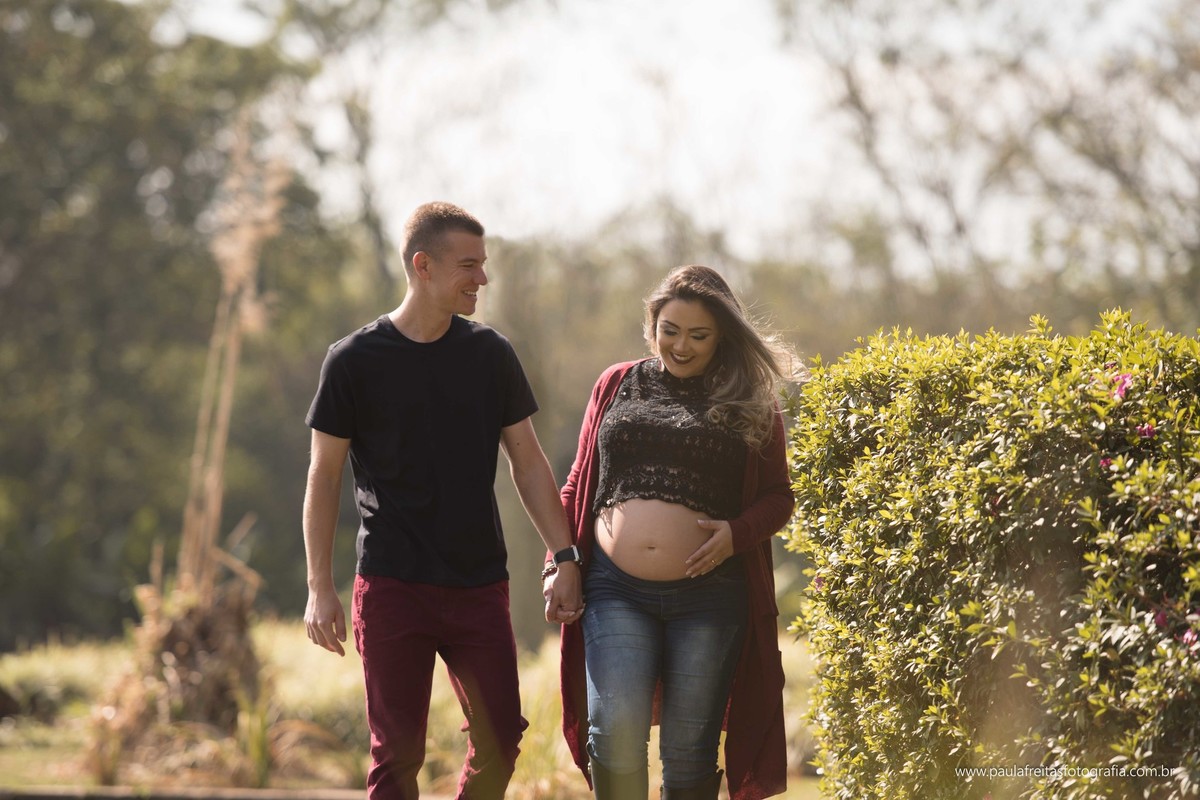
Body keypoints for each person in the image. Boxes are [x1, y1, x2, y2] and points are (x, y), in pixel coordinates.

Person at [302, 201, 584, 800]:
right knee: (397, 754)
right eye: (469, 265)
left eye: (483, 264)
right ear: (423, 265)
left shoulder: (491, 354)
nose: (483, 278)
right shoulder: (352, 360)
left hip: (478, 584)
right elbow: (323, 477)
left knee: (501, 736)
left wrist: (564, 556)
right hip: (392, 584)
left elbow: (529, 463)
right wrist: (318, 586)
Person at [549, 265, 796, 800]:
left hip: (711, 596)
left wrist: (736, 533)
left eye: (698, 335)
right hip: (614, 589)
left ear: (722, 336)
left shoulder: (751, 399)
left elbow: (780, 497)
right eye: (670, 330)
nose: (681, 346)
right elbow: (577, 484)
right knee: (613, 733)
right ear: (652, 325)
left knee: (688, 755)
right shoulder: (615, 384)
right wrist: (559, 563)